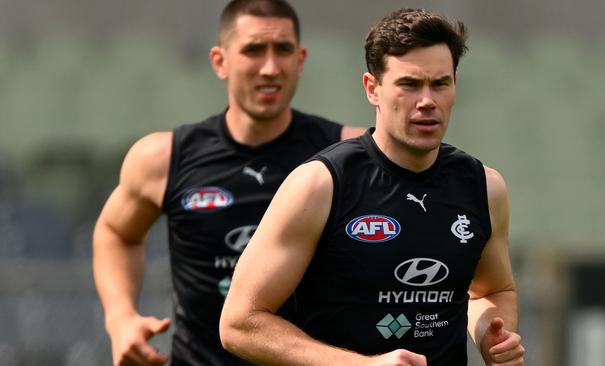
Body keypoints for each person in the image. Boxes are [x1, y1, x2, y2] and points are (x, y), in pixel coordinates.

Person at [220, 7, 525, 366]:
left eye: (440, 83)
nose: (427, 101)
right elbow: (240, 325)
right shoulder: (319, 184)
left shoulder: (484, 187)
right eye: (409, 84)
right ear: (372, 89)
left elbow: (493, 292)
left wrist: (491, 332)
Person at [92, 0, 365, 365]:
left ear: (300, 60)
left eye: (282, 50)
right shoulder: (163, 158)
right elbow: (116, 232)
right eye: (253, 50)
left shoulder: (350, 155)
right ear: (220, 61)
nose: (270, 67)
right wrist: (120, 318)